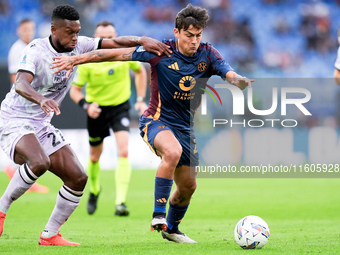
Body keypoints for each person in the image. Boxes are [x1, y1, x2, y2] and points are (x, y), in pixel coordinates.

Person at [51, 4, 253, 244]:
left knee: (188, 186)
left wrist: (238, 80)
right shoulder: (160, 51)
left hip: (185, 128)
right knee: (172, 151)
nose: (194, 41)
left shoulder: (208, 54)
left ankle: (173, 229)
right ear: (177, 32)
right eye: (189, 35)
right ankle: (159, 216)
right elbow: (113, 54)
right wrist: (76, 60)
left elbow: (228, 72)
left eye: (198, 35)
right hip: (156, 120)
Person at [0, 4, 171, 246]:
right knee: (39, 162)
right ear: (54, 30)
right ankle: (1, 209)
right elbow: (20, 84)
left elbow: (113, 43)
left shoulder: (79, 45)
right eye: (69, 32)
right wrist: (41, 99)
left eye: (77, 32)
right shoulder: (36, 50)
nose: (75, 37)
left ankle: (49, 235)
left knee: (78, 178)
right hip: (14, 119)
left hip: (41, 123)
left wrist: (143, 39)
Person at [70, 20, 148, 216]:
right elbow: (75, 91)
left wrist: (139, 99)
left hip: (120, 108)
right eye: (104, 38)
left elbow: (140, 72)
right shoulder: (88, 61)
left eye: (112, 37)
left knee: (123, 151)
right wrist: (86, 106)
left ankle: (120, 201)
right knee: (95, 156)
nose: (109, 40)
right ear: (96, 39)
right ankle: (94, 190)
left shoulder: (124, 54)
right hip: (97, 111)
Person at [6, 19, 49, 194]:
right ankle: (18, 173)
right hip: (21, 104)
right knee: (30, 143)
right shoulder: (17, 50)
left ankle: (21, 175)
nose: (28, 32)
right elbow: (15, 78)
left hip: (29, 103)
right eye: (25, 29)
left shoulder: (32, 47)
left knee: (32, 144)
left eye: (31, 29)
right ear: (19, 31)